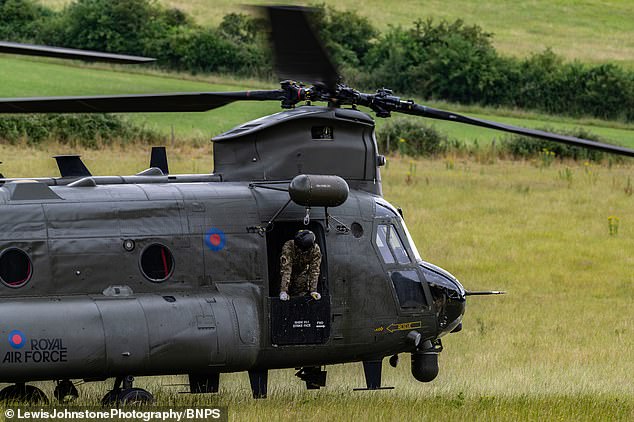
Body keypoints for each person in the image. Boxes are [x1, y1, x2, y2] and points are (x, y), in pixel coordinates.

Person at [279, 229, 322, 301]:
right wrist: (283, 291)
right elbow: (286, 269)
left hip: (301, 275)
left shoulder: (315, 250)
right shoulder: (289, 246)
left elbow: (314, 270)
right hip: (286, 276)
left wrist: (313, 290)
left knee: (301, 291)